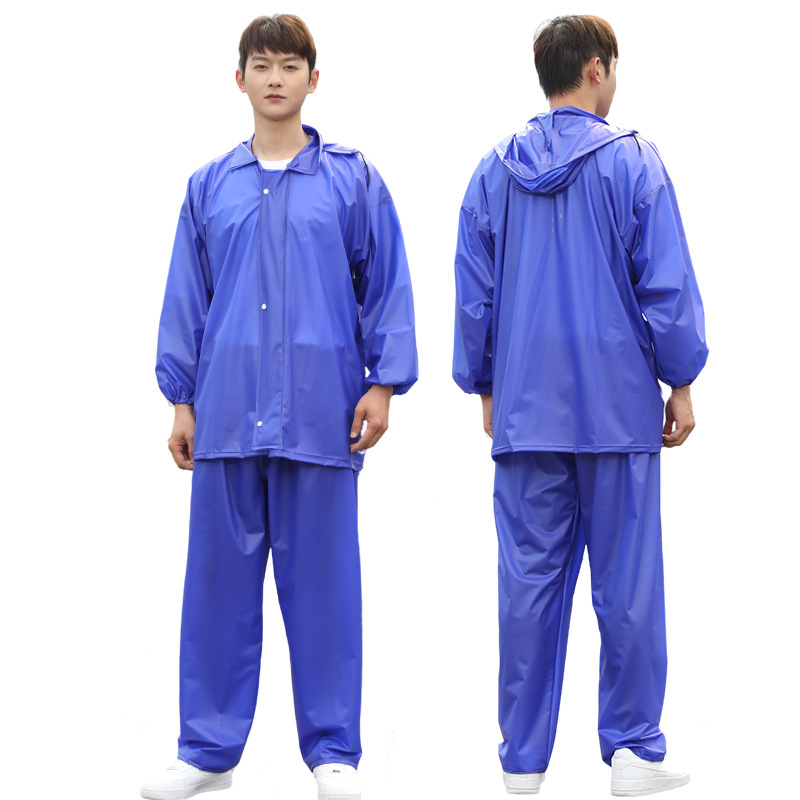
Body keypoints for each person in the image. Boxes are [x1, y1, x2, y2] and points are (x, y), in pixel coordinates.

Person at [142, 14, 417, 800]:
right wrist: (181, 400)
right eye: (260, 65)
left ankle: (333, 753)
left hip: (320, 416)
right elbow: (187, 298)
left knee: (325, 593)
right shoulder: (209, 187)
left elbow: (386, 283)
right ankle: (206, 750)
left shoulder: (353, 182)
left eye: (289, 65)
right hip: (227, 414)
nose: (274, 78)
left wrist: (383, 383)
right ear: (239, 79)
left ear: (313, 80)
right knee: (217, 594)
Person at [452, 15, 707, 798]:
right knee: (626, 586)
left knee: (527, 589)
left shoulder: (493, 172)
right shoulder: (634, 162)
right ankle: (632, 751)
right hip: (617, 411)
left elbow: (474, 293)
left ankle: (521, 763)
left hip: (527, 414)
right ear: (597, 68)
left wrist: (486, 384)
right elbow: (664, 284)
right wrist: (681, 380)